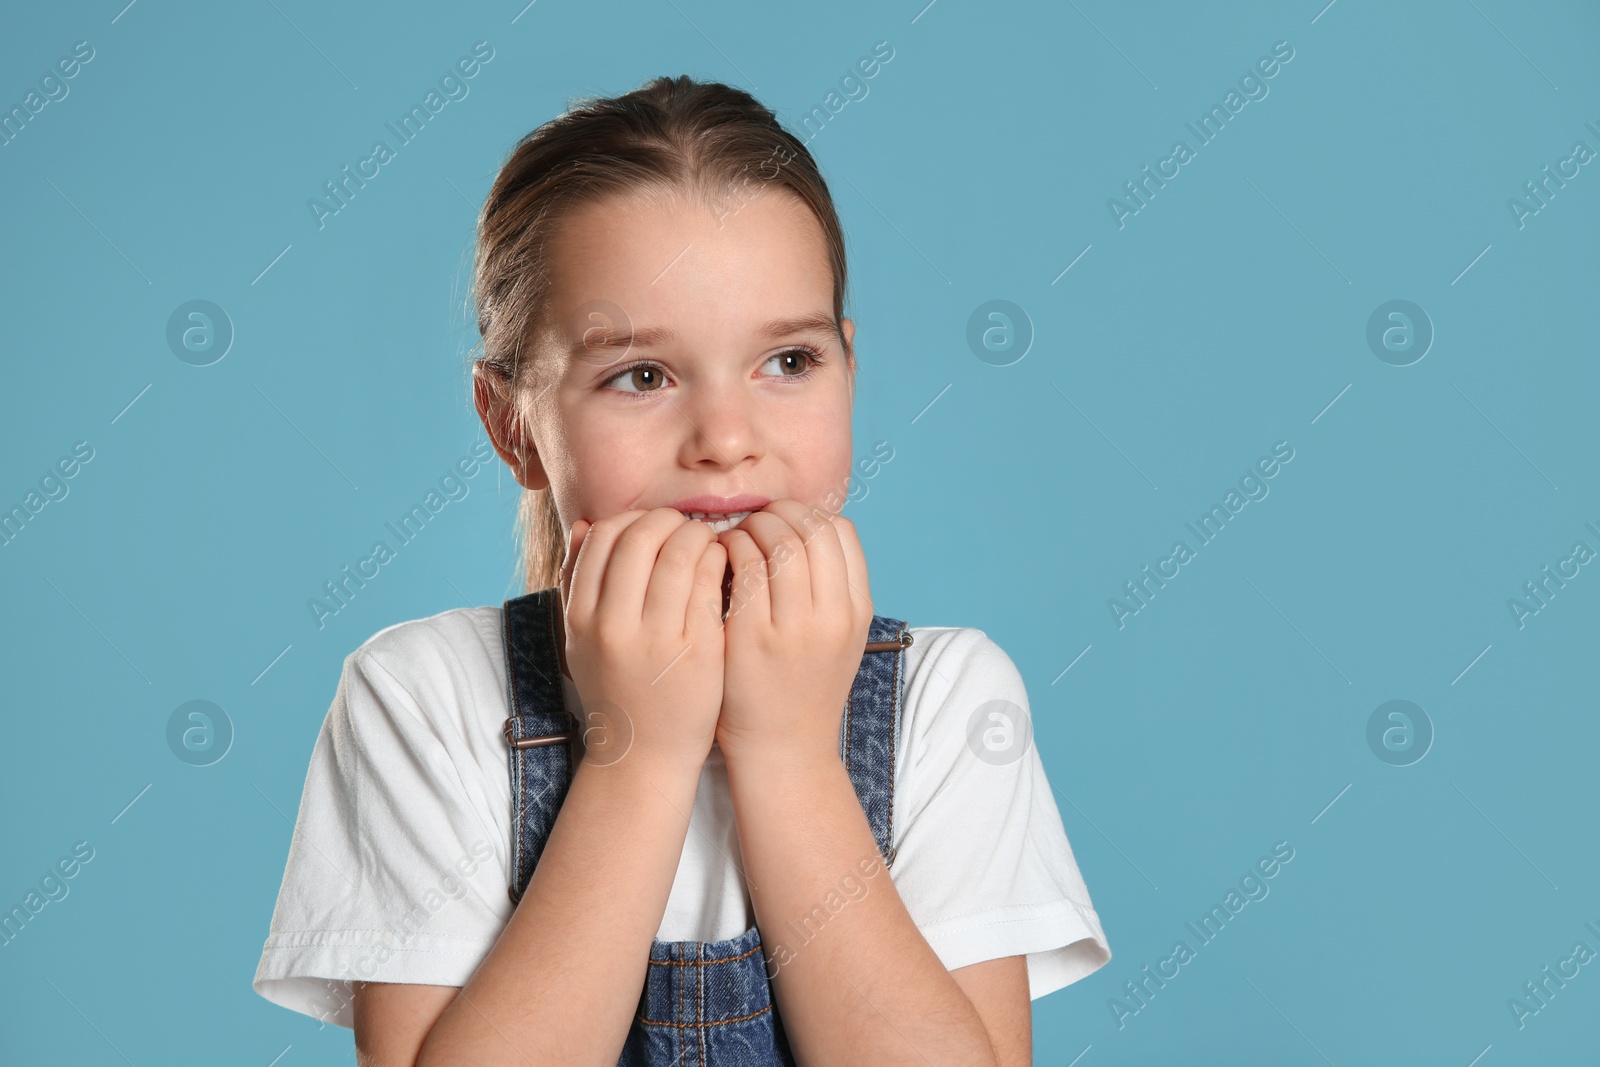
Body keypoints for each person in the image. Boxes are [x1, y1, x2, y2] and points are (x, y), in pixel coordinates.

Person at [252, 74, 1110, 1066]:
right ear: (511, 425)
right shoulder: (426, 698)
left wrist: (789, 752)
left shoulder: (949, 702)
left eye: (787, 361)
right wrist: (638, 754)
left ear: (849, 369)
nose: (726, 438)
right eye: (641, 375)